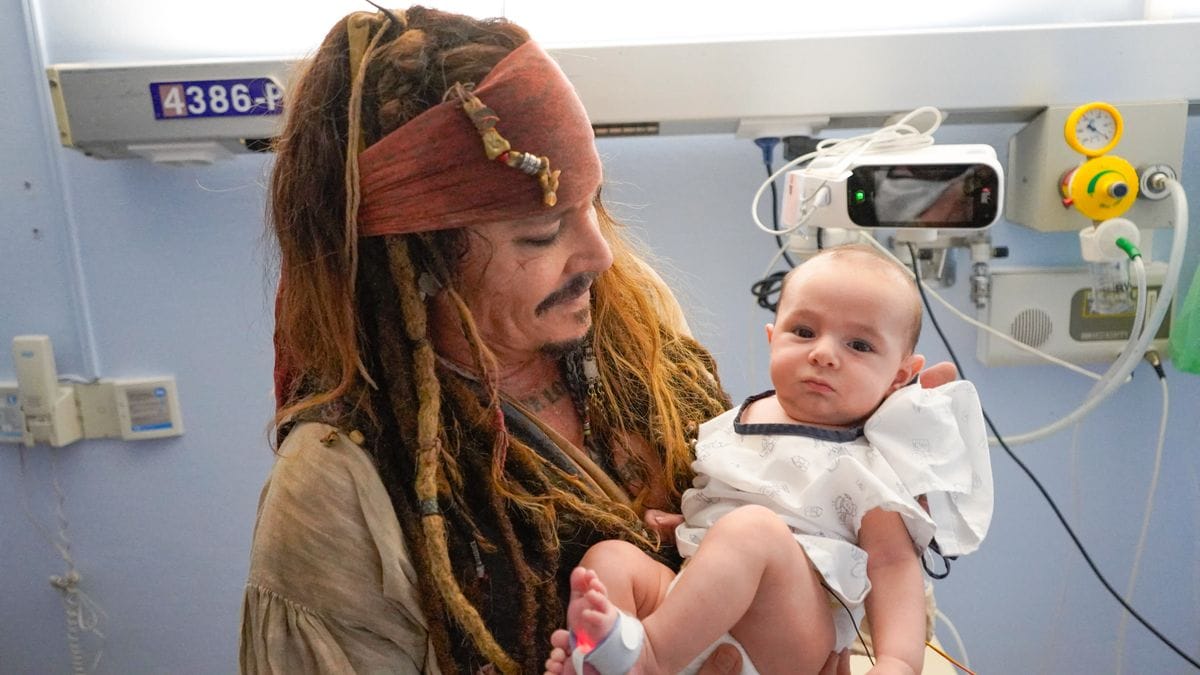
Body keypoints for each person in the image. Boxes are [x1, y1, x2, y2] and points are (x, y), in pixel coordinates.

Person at [239, 6, 959, 674]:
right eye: (542, 233)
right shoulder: (336, 493)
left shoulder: (634, 337)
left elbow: (797, 532)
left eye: (594, 203)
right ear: (422, 261)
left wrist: (872, 451)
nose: (601, 256)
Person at [544, 245, 993, 675]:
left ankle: (650, 658)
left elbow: (894, 564)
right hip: (691, 607)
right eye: (804, 332)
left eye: (858, 345)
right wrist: (684, 520)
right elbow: (721, 497)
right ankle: (604, 657)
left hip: (787, 637)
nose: (823, 353)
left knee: (754, 530)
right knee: (609, 560)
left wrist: (898, 662)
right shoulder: (735, 421)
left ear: (899, 376)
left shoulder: (870, 464)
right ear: (772, 337)